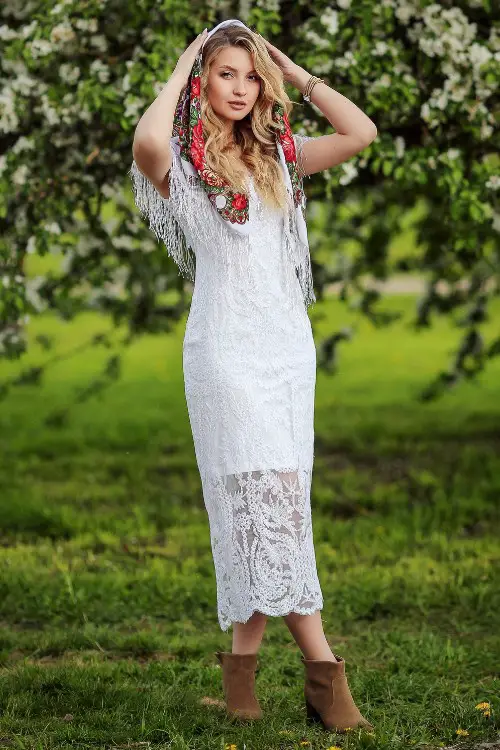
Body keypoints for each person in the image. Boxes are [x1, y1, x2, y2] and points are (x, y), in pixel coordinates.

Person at [129, 18, 377, 731]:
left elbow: (360, 133)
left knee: (272, 505)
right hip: (226, 354)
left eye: (249, 76)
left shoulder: (278, 155)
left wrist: (295, 73)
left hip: (285, 353)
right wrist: (182, 62)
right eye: (225, 74)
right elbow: (145, 141)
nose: (239, 89)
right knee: (259, 501)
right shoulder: (182, 163)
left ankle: (240, 679)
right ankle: (326, 675)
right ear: (204, 82)